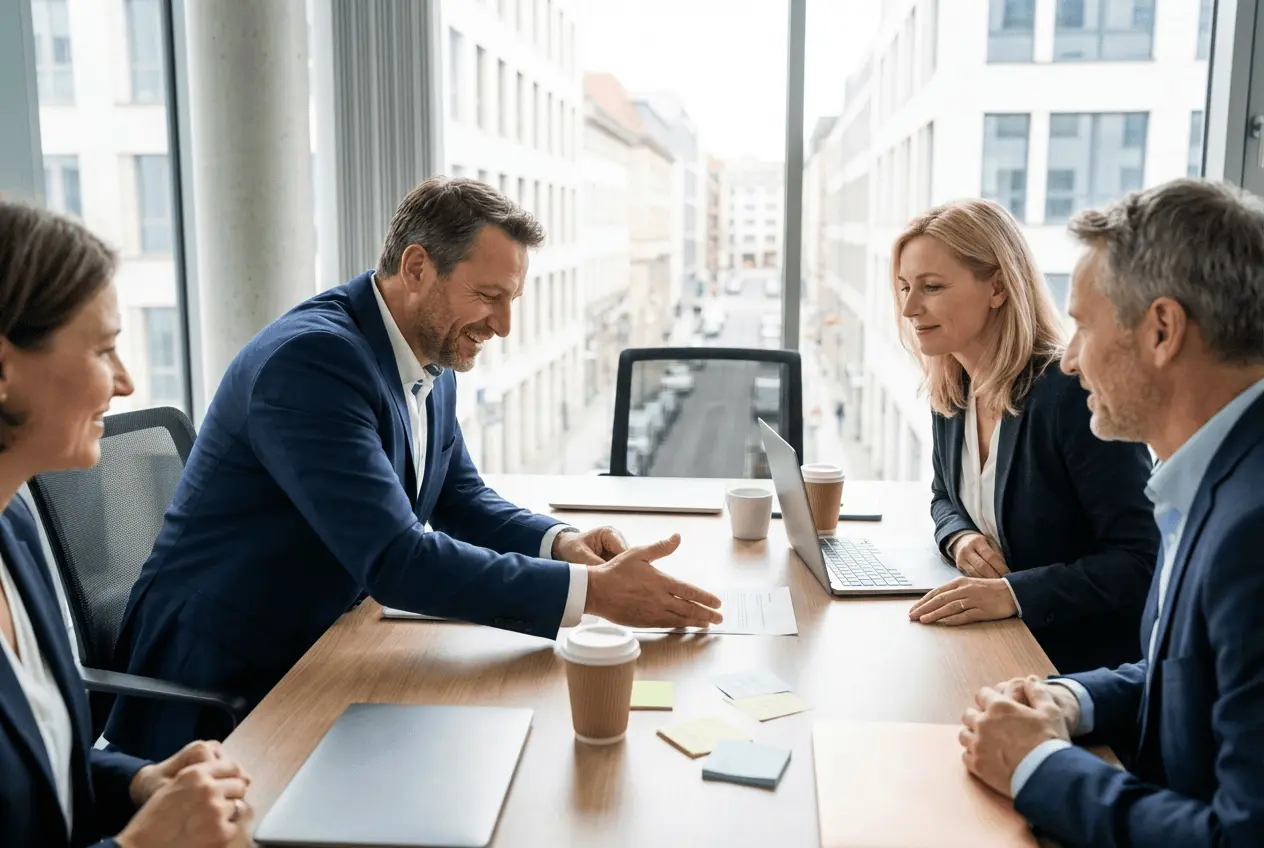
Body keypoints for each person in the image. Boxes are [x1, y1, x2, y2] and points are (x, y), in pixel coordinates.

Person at [105, 178, 723, 761]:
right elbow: (397, 561)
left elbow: (459, 495)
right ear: (418, 268)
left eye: (512, 300)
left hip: (323, 643)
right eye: (488, 297)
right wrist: (595, 596)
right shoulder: (313, 362)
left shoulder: (428, 351)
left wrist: (563, 545)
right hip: (227, 684)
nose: (504, 326)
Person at [961, 179, 1264, 847]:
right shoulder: (1212, 478)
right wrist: (1069, 700)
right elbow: (1182, 671)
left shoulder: (1252, 530)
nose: (1068, 359)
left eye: (1083, 325)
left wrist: (1035, 765)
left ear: (1162, 330)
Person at [0, 200, 252, 846]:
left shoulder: (13, 529)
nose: (127, 382)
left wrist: (143, 782)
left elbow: (41, 765)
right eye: (105, 350)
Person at [893, 199, 1158, 673]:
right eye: (905, 287)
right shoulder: (954, 384)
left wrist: (1014, 593)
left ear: (997, 287)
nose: (910, 307)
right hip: (991, 643)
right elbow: (943, 497)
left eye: (931, 287)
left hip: (1069, 664)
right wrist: (959, 538)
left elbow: (1139, 557)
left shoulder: (1072, 393)